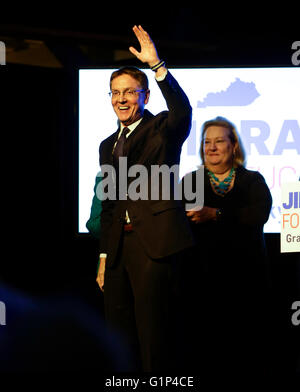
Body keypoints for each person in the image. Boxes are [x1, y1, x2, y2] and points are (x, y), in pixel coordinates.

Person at [96, 25, 194, 372]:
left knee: (155, 336)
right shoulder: (107, 145)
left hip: (155, 245)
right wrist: (105, 256)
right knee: (118, 337)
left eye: (129, 92)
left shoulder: (162, 129)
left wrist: (158, 67)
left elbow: (183, 111)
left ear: (145, 97)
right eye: (115, 93)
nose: (121, 99)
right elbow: (109, 203)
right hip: (119, 249)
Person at [181, 117, 273, 377]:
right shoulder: (190, 182)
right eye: (206, 142)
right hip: (202, 285)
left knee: (246, 359)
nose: (211, 147)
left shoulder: (252, 181)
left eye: (219, 141)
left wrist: (216, 214)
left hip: (247, 284)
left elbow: (259, 215)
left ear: (234, 146)